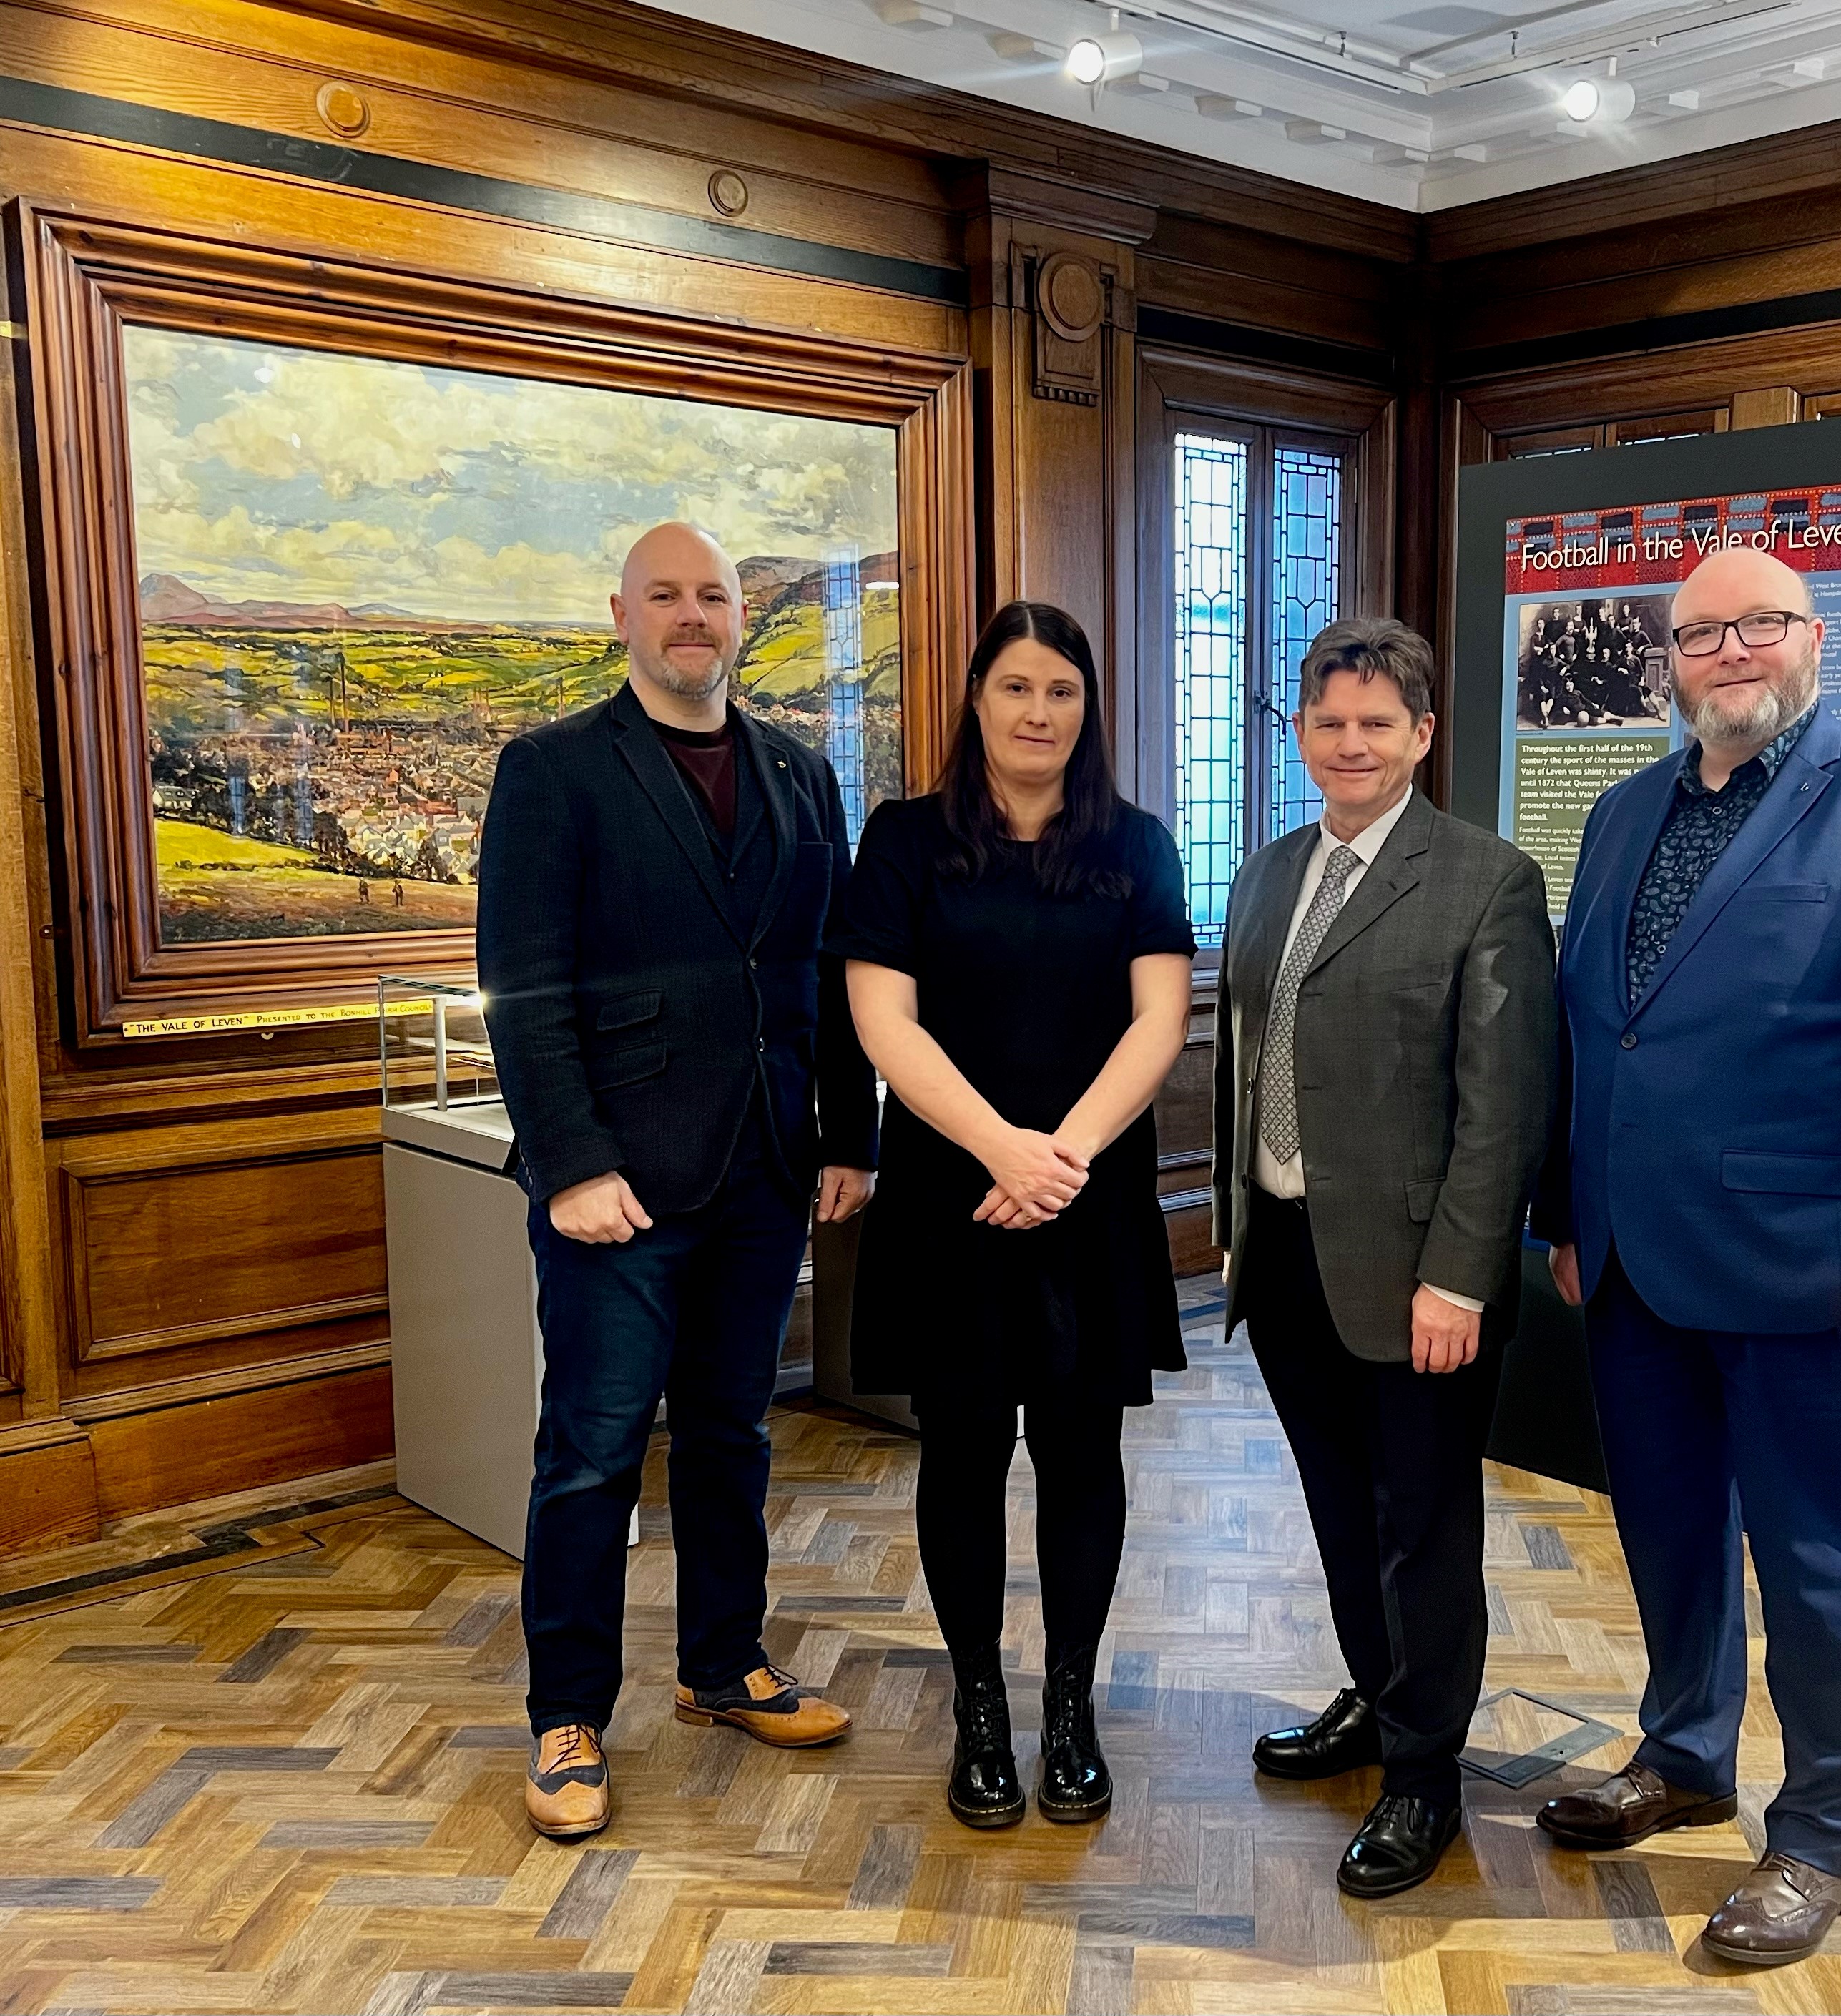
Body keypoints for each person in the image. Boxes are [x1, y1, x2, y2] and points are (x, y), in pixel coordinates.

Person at [1531, 546, 1841, 1967]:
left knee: (1827, 1564)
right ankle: (1683, 1753)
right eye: (1701, 633)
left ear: (1814, 640)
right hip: (1632, 1268)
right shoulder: (1623, 812)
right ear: (1669, 658)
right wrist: (1568, 1216)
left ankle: (1818, 1835)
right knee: (1669, 1534)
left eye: (1759, 625)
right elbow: (1593, 1029)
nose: (1730, 652)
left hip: (1818, 1275)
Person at [478, 521, 878, 1842]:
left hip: (764, 1167)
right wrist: (571, 1164)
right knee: (591, 1452)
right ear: (623, 616)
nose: (693, 614)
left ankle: (724, 1665)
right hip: (620, 1187)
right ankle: (567, 1713)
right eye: (668, 595)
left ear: (737, 620)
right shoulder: (550, 771)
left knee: (731, 1434)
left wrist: (845, 1133)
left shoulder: (799, 772)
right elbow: (524, 989)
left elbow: (820, 973)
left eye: (712, 594)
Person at [830, 601, 1193, 1831]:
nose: (1039, 712)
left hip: (1085, 1198)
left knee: (1085, 1452)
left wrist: (1063, 1156)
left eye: (1062, 691)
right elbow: (885, 1021)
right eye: (1016, 688)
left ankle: (1071, 1706)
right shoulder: (904, 837)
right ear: (976, 700)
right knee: (966, 1448)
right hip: (953, 1196)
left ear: (1087, 710)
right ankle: (980, 1704)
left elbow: (1159, 1018)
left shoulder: (1137, 842)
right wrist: (999, 1147)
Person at [1214, 617, 1557, 1899]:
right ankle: (1375, 1693)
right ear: (1301, 732)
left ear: (1420, 733)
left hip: (1419, 1273)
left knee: (1422, 1524)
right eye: (1328, 720)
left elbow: (1502, 1104)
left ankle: (1423, 1776)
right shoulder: (1265, 871)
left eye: (1376, 721)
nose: (1349, 742)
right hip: (1289, 1251)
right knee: (1338, 1507)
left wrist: (1459, 1275)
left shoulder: (1485, 880)